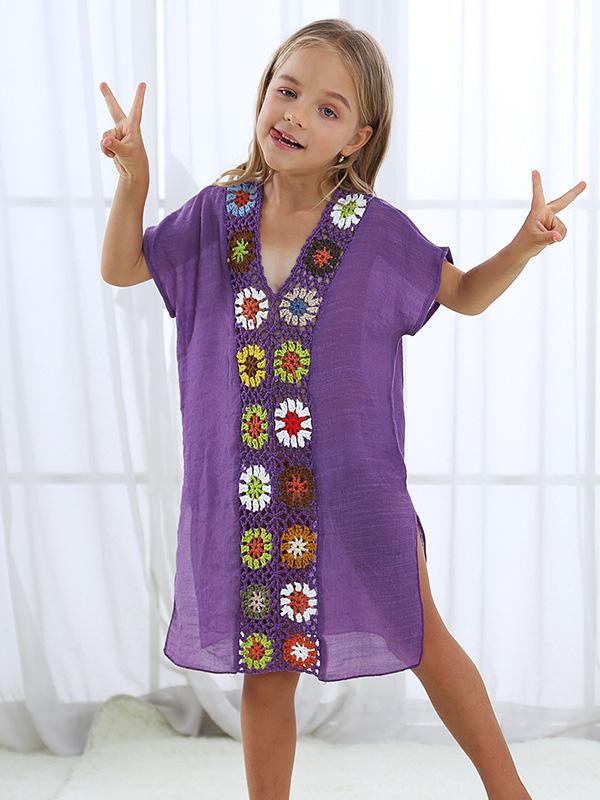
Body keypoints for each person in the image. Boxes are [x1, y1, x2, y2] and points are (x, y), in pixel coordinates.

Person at [99, 17, 586, 800]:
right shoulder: (216, 215)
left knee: (422, 637)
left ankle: (512, 793)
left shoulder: (376, 233)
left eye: (326, 109)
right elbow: (123, 265)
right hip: (253, 493)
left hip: (356, 487)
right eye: (287, 92)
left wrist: (524, 245)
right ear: (264, 93)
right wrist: (134, 180)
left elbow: (463, 294)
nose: (296, 115)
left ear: (357, 138)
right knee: (267, 670)